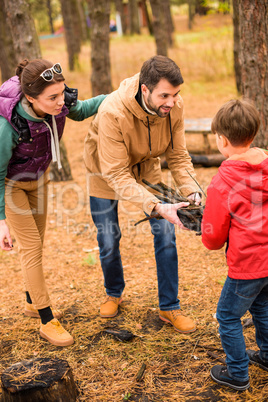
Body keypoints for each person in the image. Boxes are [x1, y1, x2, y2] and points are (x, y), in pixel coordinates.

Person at [84, 55, 201, 334]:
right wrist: (155, 205)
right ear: (145, 89)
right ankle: (114, 293)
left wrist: (193, 192)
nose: (171, 102)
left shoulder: (173, 106)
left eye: (175, 95)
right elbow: (116, 174)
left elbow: (177, 155)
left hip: (147, 167)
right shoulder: (112, 111)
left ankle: (169, 307)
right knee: (109, 237)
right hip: (105, 171)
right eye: (164, 95)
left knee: (165, 234)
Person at [0, 59, 106, 347]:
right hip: (12, 187)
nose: (61, 102)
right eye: (53, 98)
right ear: (30, 98)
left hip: (40, 180)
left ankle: (32, 302)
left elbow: (83, 110)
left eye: (62, 94)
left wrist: (122, 93)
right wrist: (1, 221)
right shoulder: (8, 126)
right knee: (31, 248)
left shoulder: (59, 104)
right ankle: (47, 320)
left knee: (38, 244)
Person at [202, 99, 268, 391]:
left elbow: (214, 238)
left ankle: (238, 374)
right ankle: (266, 355)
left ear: (222, 140)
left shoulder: (223, 182)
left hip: (247, 266)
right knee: (263, 306)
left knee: (228, 316)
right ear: (253, 134)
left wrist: (204, 230)